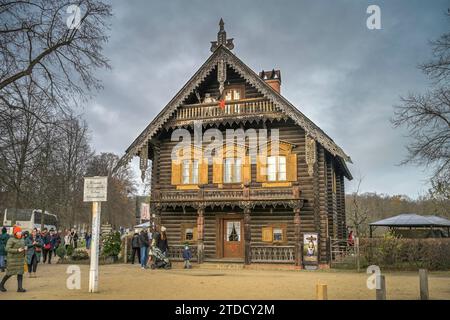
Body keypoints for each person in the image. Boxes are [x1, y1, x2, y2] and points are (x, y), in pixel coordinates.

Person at [0, 226, 26, 292]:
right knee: (9, 273)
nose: (20, 233)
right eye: (19, 232)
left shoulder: (22, 239)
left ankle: (20, 288)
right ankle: (1, 284)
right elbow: (7, 249)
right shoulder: (11, 239)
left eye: (20, 231)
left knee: (20, 273)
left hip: (20, 259)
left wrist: (25, 248)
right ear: (15, 233)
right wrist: (17, 250)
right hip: (12, 260)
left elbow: (22, 246)